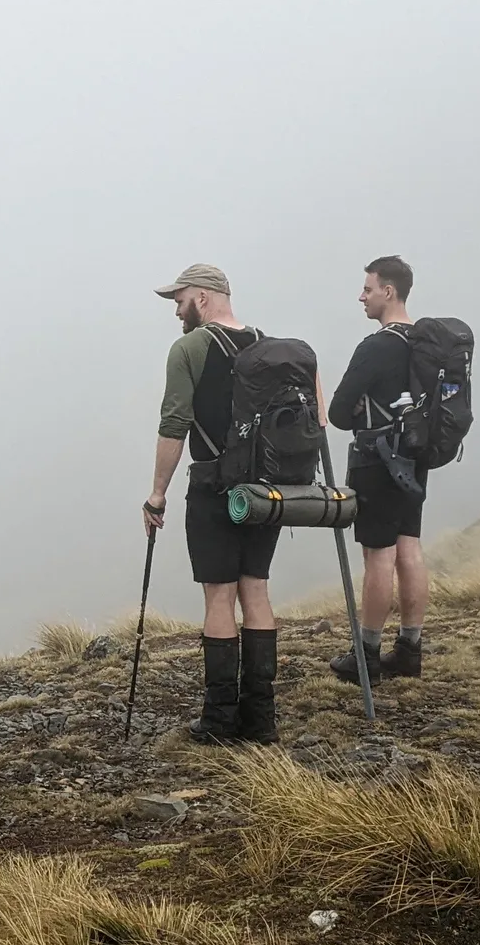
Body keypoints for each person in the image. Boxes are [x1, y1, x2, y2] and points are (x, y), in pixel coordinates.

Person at [142, 263, 318, 743]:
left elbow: (174, 424)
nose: (177, 311)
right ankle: (261, 719)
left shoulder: (190, 348)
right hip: (267, 492)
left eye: (179, 300)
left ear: (202, 297)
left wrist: (157, 494)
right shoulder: (270, 348)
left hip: (214, 487)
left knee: (219, 596)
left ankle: (219, 720)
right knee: (256, 590)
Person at [328, 255, 431, 683]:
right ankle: (409, 648)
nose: (362, 296)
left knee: (378, 555)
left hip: (377, 460)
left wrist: (356, 410)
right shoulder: (424, 344)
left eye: (368, 289)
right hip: (415, 457)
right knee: (409, 548)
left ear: (388, 291)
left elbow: (337, 411)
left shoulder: (377, 346)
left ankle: (366, 653)